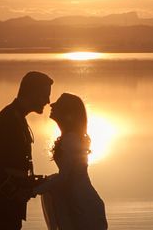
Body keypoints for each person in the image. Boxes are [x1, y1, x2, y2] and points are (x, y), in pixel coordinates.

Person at [0, 71, 54, 230]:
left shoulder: (17, 117)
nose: (47, 101)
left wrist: (32, 183)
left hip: (7, 205)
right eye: (44, 95)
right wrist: (14, 191)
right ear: (32, 93)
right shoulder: (9, 119)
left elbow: (11, 165)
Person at [34, 93, 108, 230]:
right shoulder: (70, 137)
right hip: (77, 200)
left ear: (68, 113)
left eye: (59, 103)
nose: (52, 104)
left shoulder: (71, 139)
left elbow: (64, 176)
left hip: (81, 204)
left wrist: (33, 190)